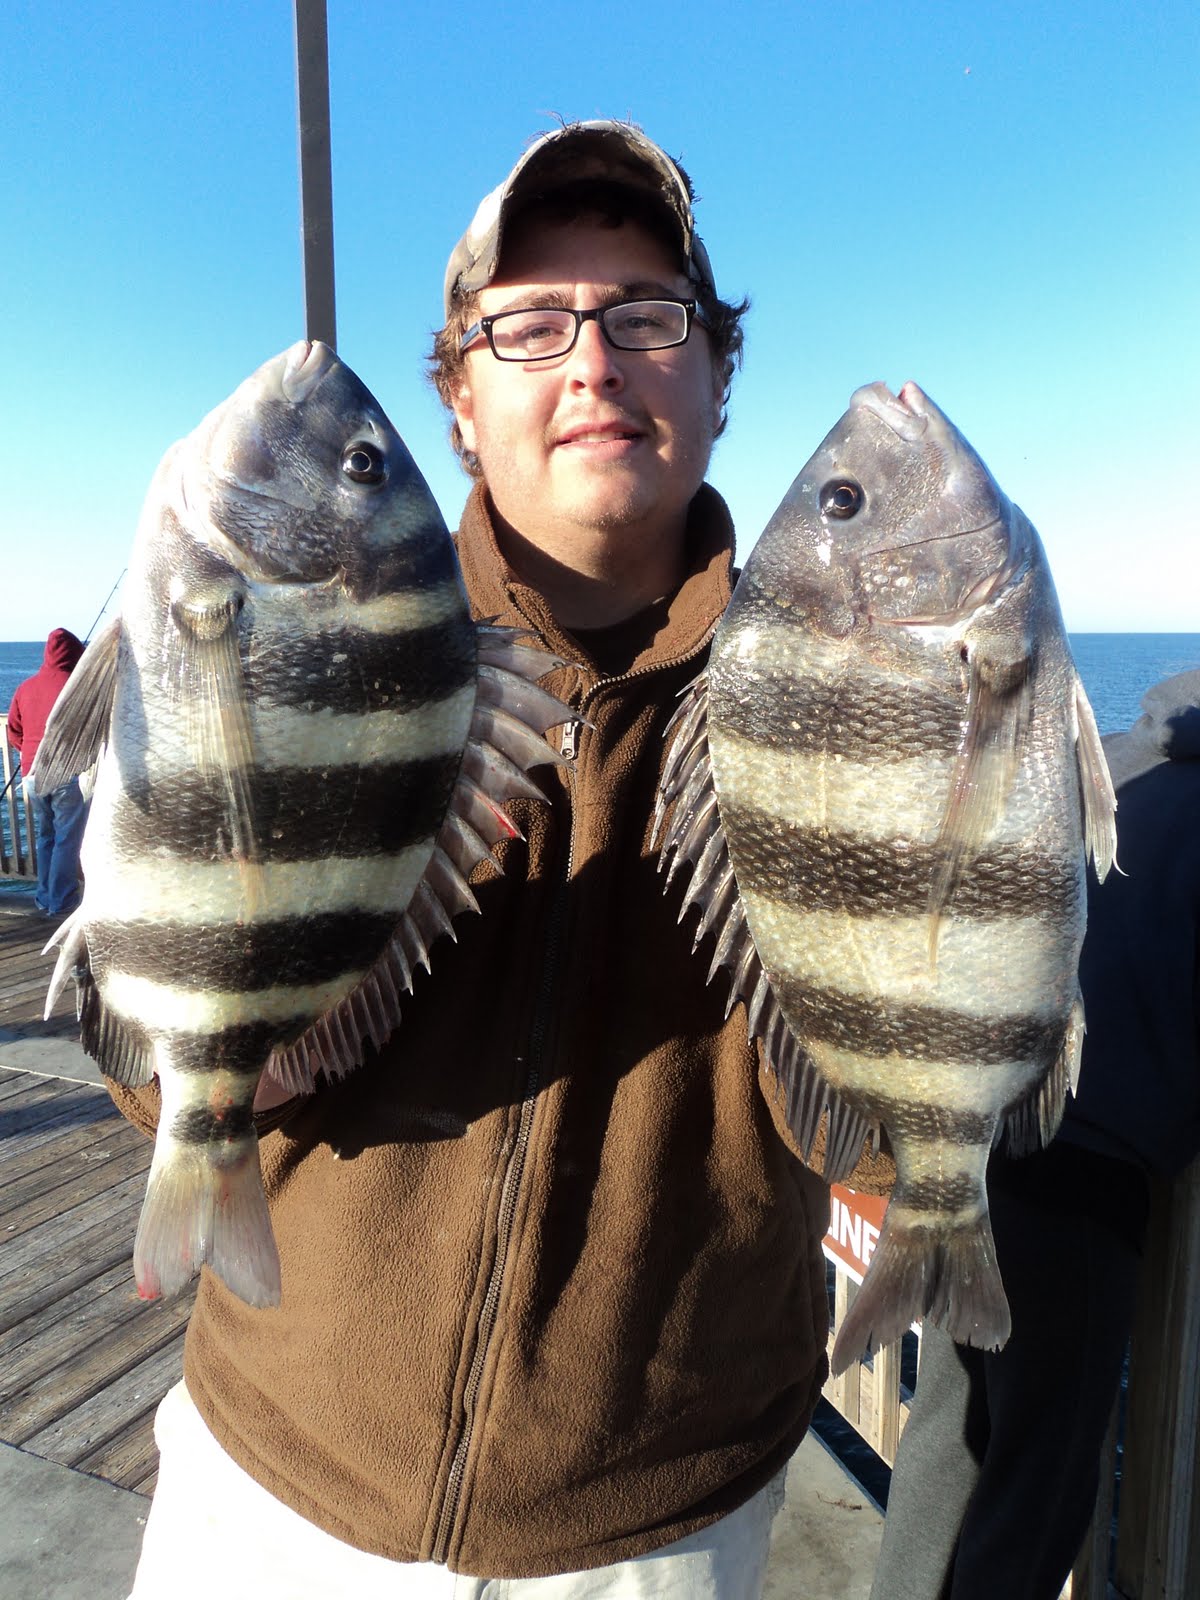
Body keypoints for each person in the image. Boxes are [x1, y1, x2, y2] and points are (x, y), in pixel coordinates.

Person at [115, 119, 889, 1598]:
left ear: (720, 378)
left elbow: (863, 1123)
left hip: (655, 1535)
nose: (593, 362)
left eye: (647, 318)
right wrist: (186, 1060)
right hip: (273, 1485)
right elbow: (150, 966)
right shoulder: (307, 628)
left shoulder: (833, 696)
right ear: (457, 398)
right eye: (529, 324)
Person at [868, 667, 1200, 1600]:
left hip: (975, 1136)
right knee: (1041, 1479)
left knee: (948, 1436)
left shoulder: (1118, 766)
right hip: (1089, 1174)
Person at [6, 626, 88, 916]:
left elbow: (14, 730)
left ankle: (44, 897)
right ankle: (62, 900)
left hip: (32, 774)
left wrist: (26, 751)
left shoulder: (25, 687)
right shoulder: (79, 686)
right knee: (67, 838)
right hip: (68, 774)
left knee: (46, 835)